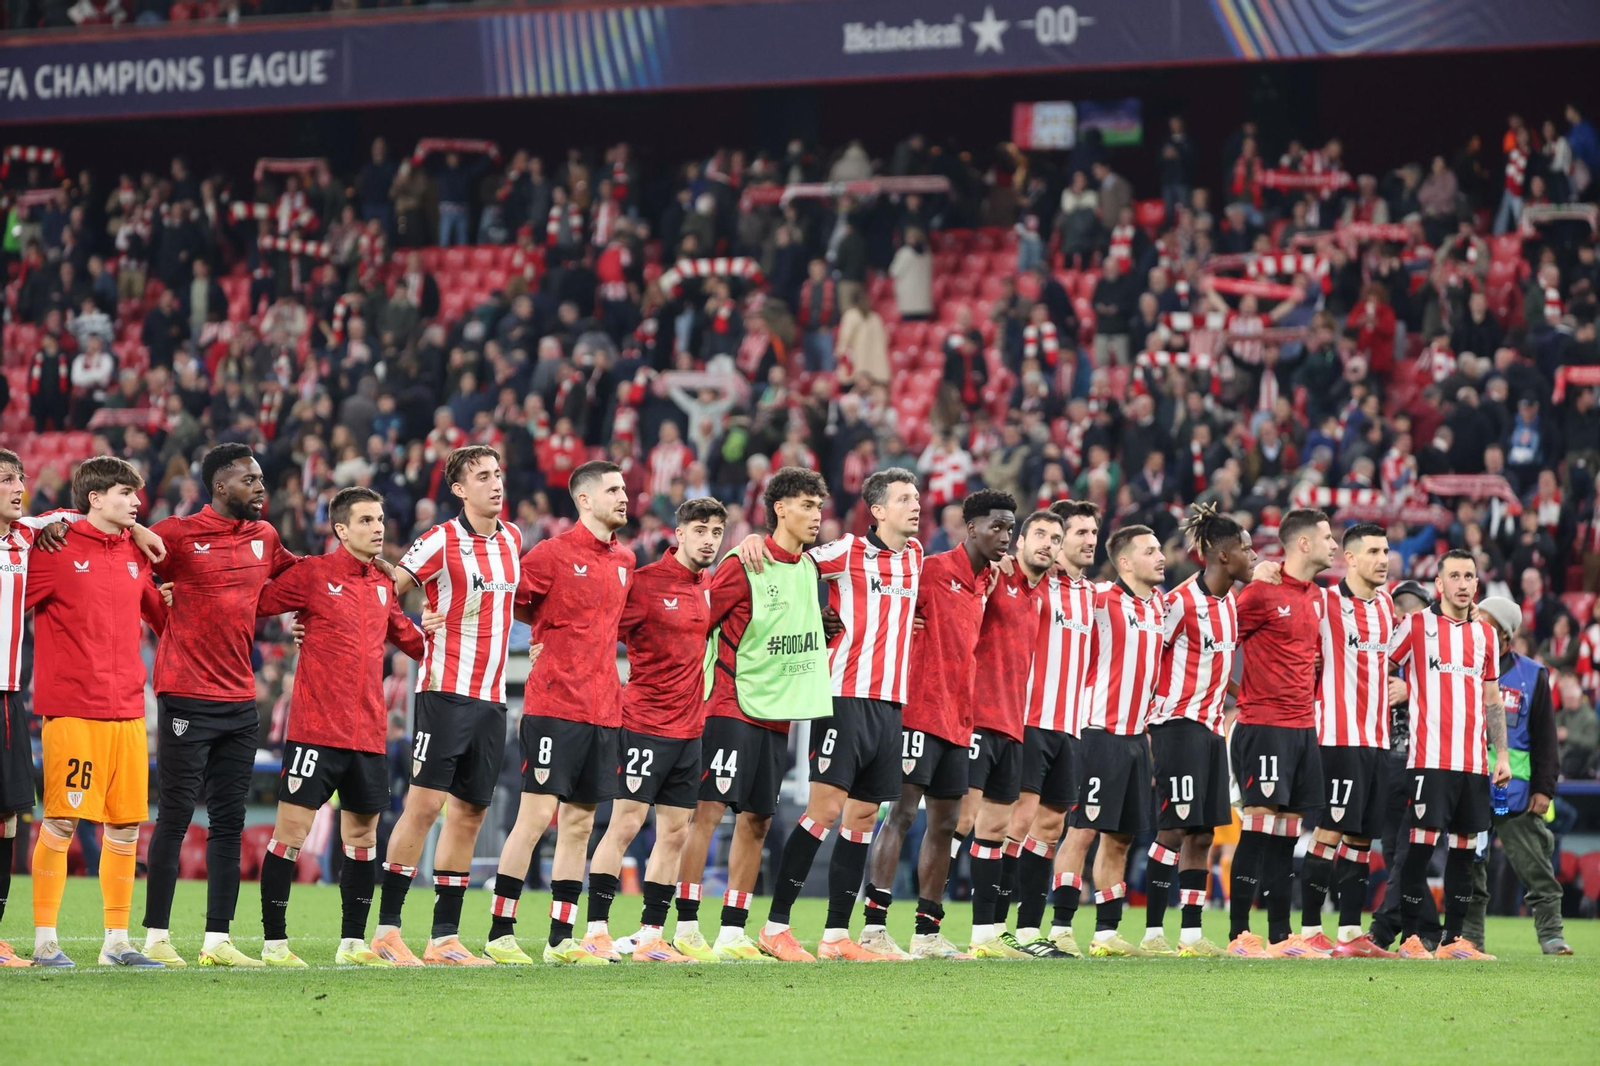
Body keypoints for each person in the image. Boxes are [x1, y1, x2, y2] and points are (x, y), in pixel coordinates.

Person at [734, 468, 925, 962]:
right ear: (878, 510)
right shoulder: (844, 553)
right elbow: (788, 558)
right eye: (904, 499)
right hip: (841, 698)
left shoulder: (918, 558)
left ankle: (837, 936)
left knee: (863, 816)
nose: (916, 505)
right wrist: (754, 539)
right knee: (824, 811)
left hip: (890, 704)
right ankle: (775, 926)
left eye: (917, 497)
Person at [138, 444, 299, 968]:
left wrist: (303, 611)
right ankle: (156, 937)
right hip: (185, 693)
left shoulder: (265, 537)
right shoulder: (176, 534)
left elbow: (297, 580)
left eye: (261, 479)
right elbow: (127, 566)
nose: (260, 488)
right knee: (177, 815)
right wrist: (164, 621)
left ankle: (217, 942)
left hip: (239, 700)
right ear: (220, 486)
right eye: (249, 480)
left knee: (229, 821)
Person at [253, 487, 427, 967]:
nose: (378, 528)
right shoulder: (312, 574)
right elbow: (258, 602)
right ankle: (274, 945)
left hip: (368, 734)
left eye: (381, 519)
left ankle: (352, 944)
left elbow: (413, 641)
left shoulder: (381, 586)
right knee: (290, 833)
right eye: (367, 520)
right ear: (341, 529)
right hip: (314, 730)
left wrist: (459, 640)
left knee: (364, 837)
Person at [670, 467, 832, 962]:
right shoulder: (744, 564)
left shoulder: (809, 569)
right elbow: (698, 620)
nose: (816, 516)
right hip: (730, 704)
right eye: (807, 505)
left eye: (819, 507)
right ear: (780, 508)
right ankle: (686, 926)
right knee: (708, 813)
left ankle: (734, 931)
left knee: (758, 820)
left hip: (777, 713)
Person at [374, 445, 524, 966]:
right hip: (444, 691)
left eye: (498, 474)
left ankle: (443, 937)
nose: (495, 484)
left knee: (470, 813)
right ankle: (388, 930)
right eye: (482, 477)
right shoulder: (439, 539)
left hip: (492, 697)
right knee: (424, 807)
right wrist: (414, 629)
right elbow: (384, 589)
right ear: (459, 490)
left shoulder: (513, 539)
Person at [484, 460, 635, 965]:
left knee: (579, 826)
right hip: (554, 706)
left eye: (624, 488)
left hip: (604, 711)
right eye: (613, 489)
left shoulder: (626, 561)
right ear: (585, 500)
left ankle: (561, 940)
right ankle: (501, 933)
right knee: (534, 818)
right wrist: (546, 642)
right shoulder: (550, 555)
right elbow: (512, 603)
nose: (624, 496)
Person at [861, 489, 1016, 959]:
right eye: (997, 527)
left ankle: (927, 933)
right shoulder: (929, 570)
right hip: (918, 712)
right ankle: (873, 928)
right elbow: (882, 599)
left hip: (958, 718)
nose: (1005, 536)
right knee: (903, 814)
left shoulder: (987, 581)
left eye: (1010, 528)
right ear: (970, 527)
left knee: (947, 823)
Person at [27, 456, 168, 968]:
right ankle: (45, 939)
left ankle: (117, 942)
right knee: (62, 822)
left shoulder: (137, 551)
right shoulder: (54, 547)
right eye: (127, 493)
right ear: (95, 498)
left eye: (137, 494)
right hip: (72, 710)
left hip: (129, 711)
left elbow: (162, 616)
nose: (136, 502)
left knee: (126, 828)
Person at [588, 498, 727, 963]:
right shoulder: (645, 584)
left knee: (673, 834)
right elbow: (603, 632)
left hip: (690, 731)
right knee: (624, 826)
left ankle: (650, 936)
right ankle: (595, 931)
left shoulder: (709, 584)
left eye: (717, 532)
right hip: (643, 724)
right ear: (680, 533)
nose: (709, 540)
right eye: (701, 531)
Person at [1141, 506, 1253, 957]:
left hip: (1210, 730)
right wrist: (1147, 726)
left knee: (1203, 832)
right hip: (1176, 725)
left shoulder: (1231, 604)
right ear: (1223, 556)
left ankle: (1190, 934)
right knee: (1173, 829)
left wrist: (1238, 692)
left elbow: (1214, 662)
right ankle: (1151, 932)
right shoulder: (1179, 603)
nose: (1252, 554)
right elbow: (1151, 658)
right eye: (1245, 547)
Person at [1388, 550, 1510, 961]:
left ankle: (1453, 940)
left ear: (1477, 584)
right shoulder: (1416, 626)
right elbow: (1380, 666)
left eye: (1469, 576)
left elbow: (1492, 699)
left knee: (1464, 852)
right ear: (1438, 585)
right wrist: (1401, 692)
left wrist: (1502, 755)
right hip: (1428, 760)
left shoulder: (1486, 636)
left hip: (1473, 763)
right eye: (1454, 576)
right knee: (1420, 849)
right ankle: (1410, 938)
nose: (1462, 583)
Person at [1226, 507, 1335, 958]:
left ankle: (1278, 936)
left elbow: (1312, 659)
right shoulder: (1260, 593)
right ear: (1304, 543)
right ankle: (1238, 935)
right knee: (1257, 829)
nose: (1334, 545)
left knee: (1287, 833)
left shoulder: (1316, 597)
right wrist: (1239, 696)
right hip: (1264, 725)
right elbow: (1219, 641)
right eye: (1328, 537)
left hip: (1302, 728)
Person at [0, 451, 91, 967]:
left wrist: (143, 533)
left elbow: (87, 514)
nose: (19, 486)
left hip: (9, 694)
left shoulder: (26, 534)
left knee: (8, 818)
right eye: (7, 479)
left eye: (21, 478)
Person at [1297, 522, 1404, 958]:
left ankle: (1348, 934)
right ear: (1351, 558)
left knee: (1361, 839)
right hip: (1338, 738)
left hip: (1377, 741)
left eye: (1387, 551)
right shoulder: (1323, 602)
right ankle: (1307, 932)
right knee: (1329, 832)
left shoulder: (1385, 606)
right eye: (1374, 551)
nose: (1383, 559)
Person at [1068, 524, 1167, 957]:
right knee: (1082, 832)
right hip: (1097, 733)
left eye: (1160, 547)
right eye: (1150, 550)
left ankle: (1106, 933)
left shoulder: (1161, 604)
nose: (1161, 556)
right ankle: (1058, 926)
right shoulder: (1100, 599)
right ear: (1125, 562)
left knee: (1122, 838)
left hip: (1135, 738)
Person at [1009, 500, 1101, 959]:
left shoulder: (1092, 594)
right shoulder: (1032, 584)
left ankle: (1027, 931)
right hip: (1028, 718)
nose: (1087, 541)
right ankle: (992, 926)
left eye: (1091, 533)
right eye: (1077, 533)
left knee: (1049, 827)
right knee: (1015, 822)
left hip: (1070, 725)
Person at [967, 509, 1061, 958]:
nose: (1047, 543)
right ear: (1018, 543)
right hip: (970, 719)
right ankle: (923, 931)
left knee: (995, 828)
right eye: (1038, 534)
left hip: (1012, 722)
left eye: (1053, 537)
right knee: (955, 822)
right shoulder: (990, 575)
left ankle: (985, 934)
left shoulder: (1041, 596)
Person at [1464, 597, 1572, 956]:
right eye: (1475, 620)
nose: (1477, 628)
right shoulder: (1459, 666)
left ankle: (1552, 935)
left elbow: (1545, 739)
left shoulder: (1533, 674)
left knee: (1537, 867)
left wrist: (1544, 789)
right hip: (1468, 786)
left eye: (1487, 624)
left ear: (1506, 637)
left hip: (1518, 793)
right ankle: (1470, 940)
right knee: (1470, 868)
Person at [1366, 580, 1436, 949]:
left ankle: (1382, 930)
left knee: (1408, 851)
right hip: (1389, 758)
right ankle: (1424, 930)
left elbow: (1464, 695)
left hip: (1425, 759)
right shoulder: (1383, 653)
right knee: (1394, 850)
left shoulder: (1438, 649)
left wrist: (1413, 691)